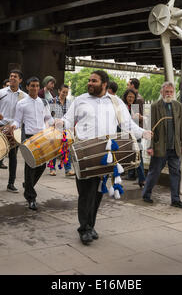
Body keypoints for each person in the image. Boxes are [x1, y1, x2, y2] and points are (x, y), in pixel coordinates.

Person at [56, 70, 152, 245]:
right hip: (85, 153)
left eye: (94, 81)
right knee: (85, 193)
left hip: (106, 155)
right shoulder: (80, 100)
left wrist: (143, 132)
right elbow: (68, 120)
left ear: (104, 84)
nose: (90, 83)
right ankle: (84, 228)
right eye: (89, 80)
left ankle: (90, 225)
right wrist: (59, 123)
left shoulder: (116, 103)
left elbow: (128, 124)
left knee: (99, 191)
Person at [141, 81, 182, 209]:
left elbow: (181, 126)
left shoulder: (178, 106)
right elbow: (151, 127)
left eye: (171, 92)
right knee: (154, 172)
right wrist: (150, 147)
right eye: (166, 91)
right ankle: (146, 194)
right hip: (160, 147)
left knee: (176, 173)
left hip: (175, 147)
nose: (169, 94)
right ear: (162, 92)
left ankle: (175, 199)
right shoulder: (155, 106)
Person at [11, 76, 53, 211]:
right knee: (30, 166)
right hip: (28, 137)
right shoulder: (21, 103)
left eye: (37, 86)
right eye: (32, 86)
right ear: (27, 87)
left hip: (42, 137)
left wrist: (57, 124)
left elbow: (48, 118)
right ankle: (31, 197)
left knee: (42, 165)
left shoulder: (43, 103)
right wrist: (13, 126)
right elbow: (17, 120)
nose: (35, 88)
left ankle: (28, 185)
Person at [0, 69, 27, 192]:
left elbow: (24, 115)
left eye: (15, 76)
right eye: (11, 76)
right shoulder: (0, 93)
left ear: (20, 80)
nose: (12, 78)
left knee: (13, 157)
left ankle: (11, 183)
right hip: (0, 127)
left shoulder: (24, 96)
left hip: (14, 130)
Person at [47, 84, 74, 177]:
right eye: (63, 92)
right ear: (59, 91)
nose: (65, 94)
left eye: (66, 92)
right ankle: (52, 169)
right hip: (54, 128)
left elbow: (71, 116)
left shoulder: (70, 103)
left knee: (66, 149)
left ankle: (68, 170)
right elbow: (47, 115)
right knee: (54, 149)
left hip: (65, 128)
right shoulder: (51, 101)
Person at [122, 89, 145, 188]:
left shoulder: (135, 107)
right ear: (125, 97)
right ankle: (117, 180)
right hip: (124, 135)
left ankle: (142, 179)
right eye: (129, 97)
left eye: (132, 97)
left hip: (135, 136)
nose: (131, 98)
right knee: (121, 157)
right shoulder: (122, 107)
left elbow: (136, 123)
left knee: (138, 156)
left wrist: (141, 118)